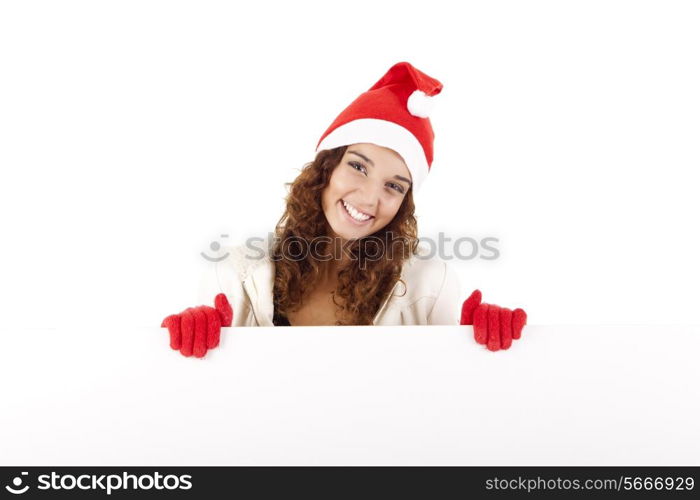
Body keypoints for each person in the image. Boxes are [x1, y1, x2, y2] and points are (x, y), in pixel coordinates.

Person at [161, 62, 527, 358]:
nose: (368, 199)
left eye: (394, 186)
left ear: (404, 204)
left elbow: (453, 403)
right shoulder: (234, 276)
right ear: (326, 169)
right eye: (358, 166)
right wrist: (183, 354)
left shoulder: (431, 284)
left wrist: (483, 351)